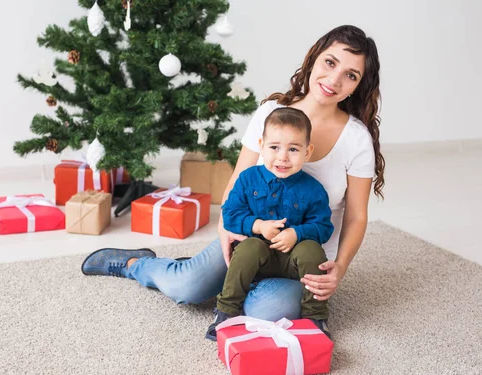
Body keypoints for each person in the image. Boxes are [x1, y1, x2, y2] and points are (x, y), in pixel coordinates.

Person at [81, 25, 386, 338]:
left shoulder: (356, 139)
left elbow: (356, 217)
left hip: (302, 256)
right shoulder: (272, 113)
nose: (334, 80)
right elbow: (239, 179)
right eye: (330, 62)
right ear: (314, 59)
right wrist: (227, 228)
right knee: (186, 287)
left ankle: (240, 285)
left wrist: (340, 268)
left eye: (351, 75)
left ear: (358, 86)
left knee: (263, 311)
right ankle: (138, 264)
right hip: (249, 237)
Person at [207, 106, 334, 341]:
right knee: (249, 247)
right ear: (261, 146)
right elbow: (230, 214)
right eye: (274, 147)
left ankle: (315, 317)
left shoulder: (313, 189)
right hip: (257, 258)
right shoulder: (248, 179)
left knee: (312, 250)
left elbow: (324, 227)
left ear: (308, 151)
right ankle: (226, 311)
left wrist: (297, 233)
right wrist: (258, 226)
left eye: (293, 149)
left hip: (292, 264)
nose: (283, 157)